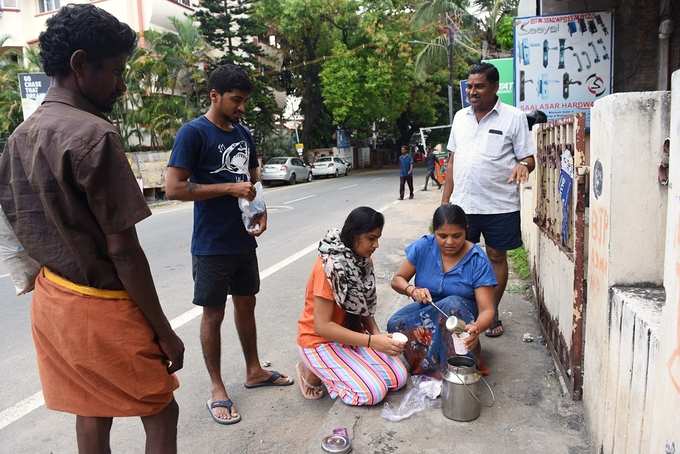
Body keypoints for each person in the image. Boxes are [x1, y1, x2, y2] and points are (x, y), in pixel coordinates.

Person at [0, 5, 184, 453]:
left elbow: (16, 227)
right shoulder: (95, 135)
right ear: (80, 64)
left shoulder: (20, 137)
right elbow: (123, 250)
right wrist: (162, 329)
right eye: (117, 71)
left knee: (91, 408)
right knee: (160, 408)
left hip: (53, 302)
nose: (121, 85)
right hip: (102, 306)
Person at [165, 64, 292, 426]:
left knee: (247, 305)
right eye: (236, 100)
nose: (241, 108)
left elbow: (252, 177)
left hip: (242, 240)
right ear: (214, 96)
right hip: (210, 244)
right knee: (213, 314)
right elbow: (174, 188)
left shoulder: (243, 133)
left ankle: (253, 370)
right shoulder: (194, 133)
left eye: (244, 101)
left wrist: (261, 210)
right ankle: (217, 387)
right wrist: (228, 189)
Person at [441, 62, 536, 338]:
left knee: (496, 256)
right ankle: (464, 311)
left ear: (495, 87)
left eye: (479, 86)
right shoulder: (460, 118)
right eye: (469, 86)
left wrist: (524, 166)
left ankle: (490, 313)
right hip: (463, 204)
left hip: (500, 205)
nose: (473, 91)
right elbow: (452, 160)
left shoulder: (514, 117)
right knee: (460, 258)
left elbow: (528, 156)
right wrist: (446, 202)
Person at [296, 207, 408, 405]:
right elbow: (322, 327)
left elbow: (362, 306)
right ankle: (309, 370)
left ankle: (348, 366)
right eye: (371, 238)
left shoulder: (362, 260)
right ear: (354, 235)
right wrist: (372, 342)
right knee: (373, 393)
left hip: (349, 335)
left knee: (398, 378)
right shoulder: (329, 267)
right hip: (319, 341)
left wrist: (376, 334)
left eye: (378, 238)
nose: (376, 245)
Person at [388, 205, 497, 376]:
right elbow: (397, 280)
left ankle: (453, 365)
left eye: (456, 236)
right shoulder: (424, 246)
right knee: (395, 324)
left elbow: (488, 310)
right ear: (434, 232)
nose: (449, 242)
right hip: (429, 308)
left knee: (452, 305)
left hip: (459, 316)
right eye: (442, 236)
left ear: (466, 231)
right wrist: (412, 290)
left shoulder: (477, 259)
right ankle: (428, 361)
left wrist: (476, 327)